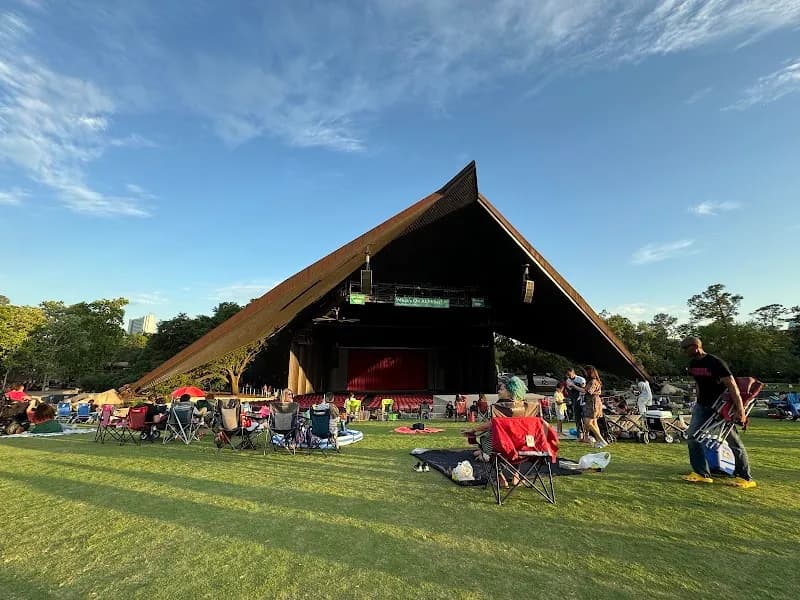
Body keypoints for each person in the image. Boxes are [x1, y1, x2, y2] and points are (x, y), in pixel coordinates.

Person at [680, 336, 756, 488]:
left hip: (721, 407)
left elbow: (732, 386)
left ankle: (746, 478)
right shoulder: (693, 364)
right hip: (702, 406)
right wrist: (697, 402)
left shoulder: (716, 363)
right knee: (692, 438)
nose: (683, 352)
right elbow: (698, 384)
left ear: (695, 346)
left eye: (685, 348)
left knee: (733, 442)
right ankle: (702, 474)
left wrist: (740, 410)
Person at [577, 366, 608, 448]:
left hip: (593, 403)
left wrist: (574, 386)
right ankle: (599, 441)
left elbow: (587, 391)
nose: (585, 373)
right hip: (594, 402)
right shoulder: (595, 381)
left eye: (586, 372)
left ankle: (602, 440)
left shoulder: (593, 381)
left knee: (588, 422)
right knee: (594, 423)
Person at [565, 368, 586, 440]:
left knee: (585, 418)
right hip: (575, 401)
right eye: (567, 375)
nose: (569, 376)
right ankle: (580, 436)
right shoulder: (568, 380)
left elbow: (584, 390)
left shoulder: (581, 379)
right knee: (577, 418)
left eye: (569, 374)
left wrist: (574, 386)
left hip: (583, 401)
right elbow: (569, 390)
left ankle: (587, 435)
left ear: (573, 373)